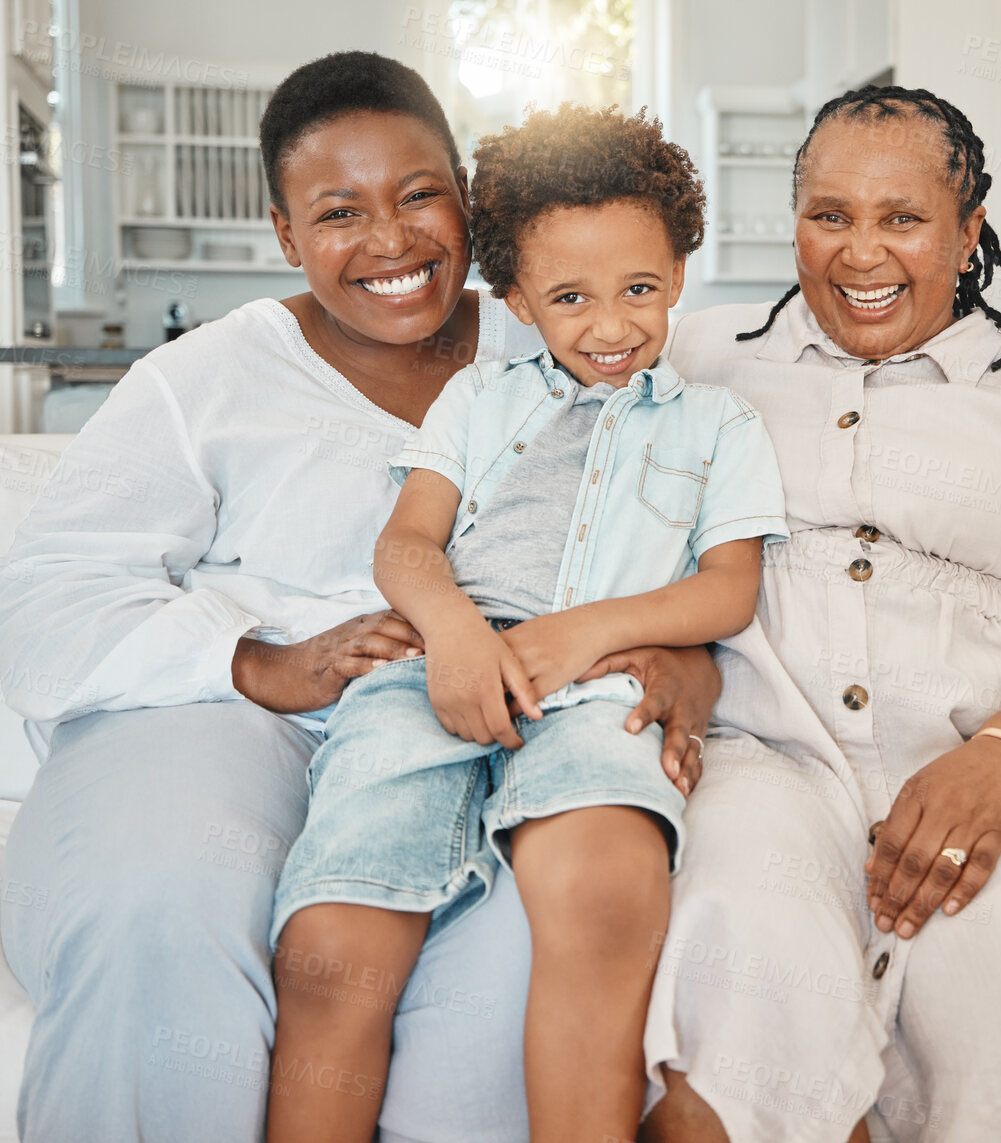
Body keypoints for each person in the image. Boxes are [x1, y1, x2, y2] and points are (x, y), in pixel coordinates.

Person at [0, 54, 717, 1143]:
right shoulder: (206, 378)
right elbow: (49, 592)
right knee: (164, 907)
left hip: (485, 723)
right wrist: (257, 662)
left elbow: (680, 538)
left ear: (468, 204)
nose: (389, 241)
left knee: (514, 969)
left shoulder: (572, 336)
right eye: (340, 212)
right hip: (227, 717)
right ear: (287, 235)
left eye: (420, 195)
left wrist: (683, 660)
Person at [641, 85, 1001, 1143]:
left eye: (903, 219)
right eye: (830, 215)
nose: (861, 254)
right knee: (735, 969)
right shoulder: (697, 361)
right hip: (765, 754)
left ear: (967, 230)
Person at [265, 104, 786, 1143]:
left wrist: (585, 635)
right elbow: (407, 546)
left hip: (598, 691)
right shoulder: (476, 398)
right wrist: (456, 635)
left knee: (604, 889)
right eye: (569, 298)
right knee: (334, 937)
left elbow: (728, 586)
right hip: (436, 669)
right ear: (514, 301)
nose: (611, 325)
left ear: (680, 273)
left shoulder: (717, 424)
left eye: (640, 288)